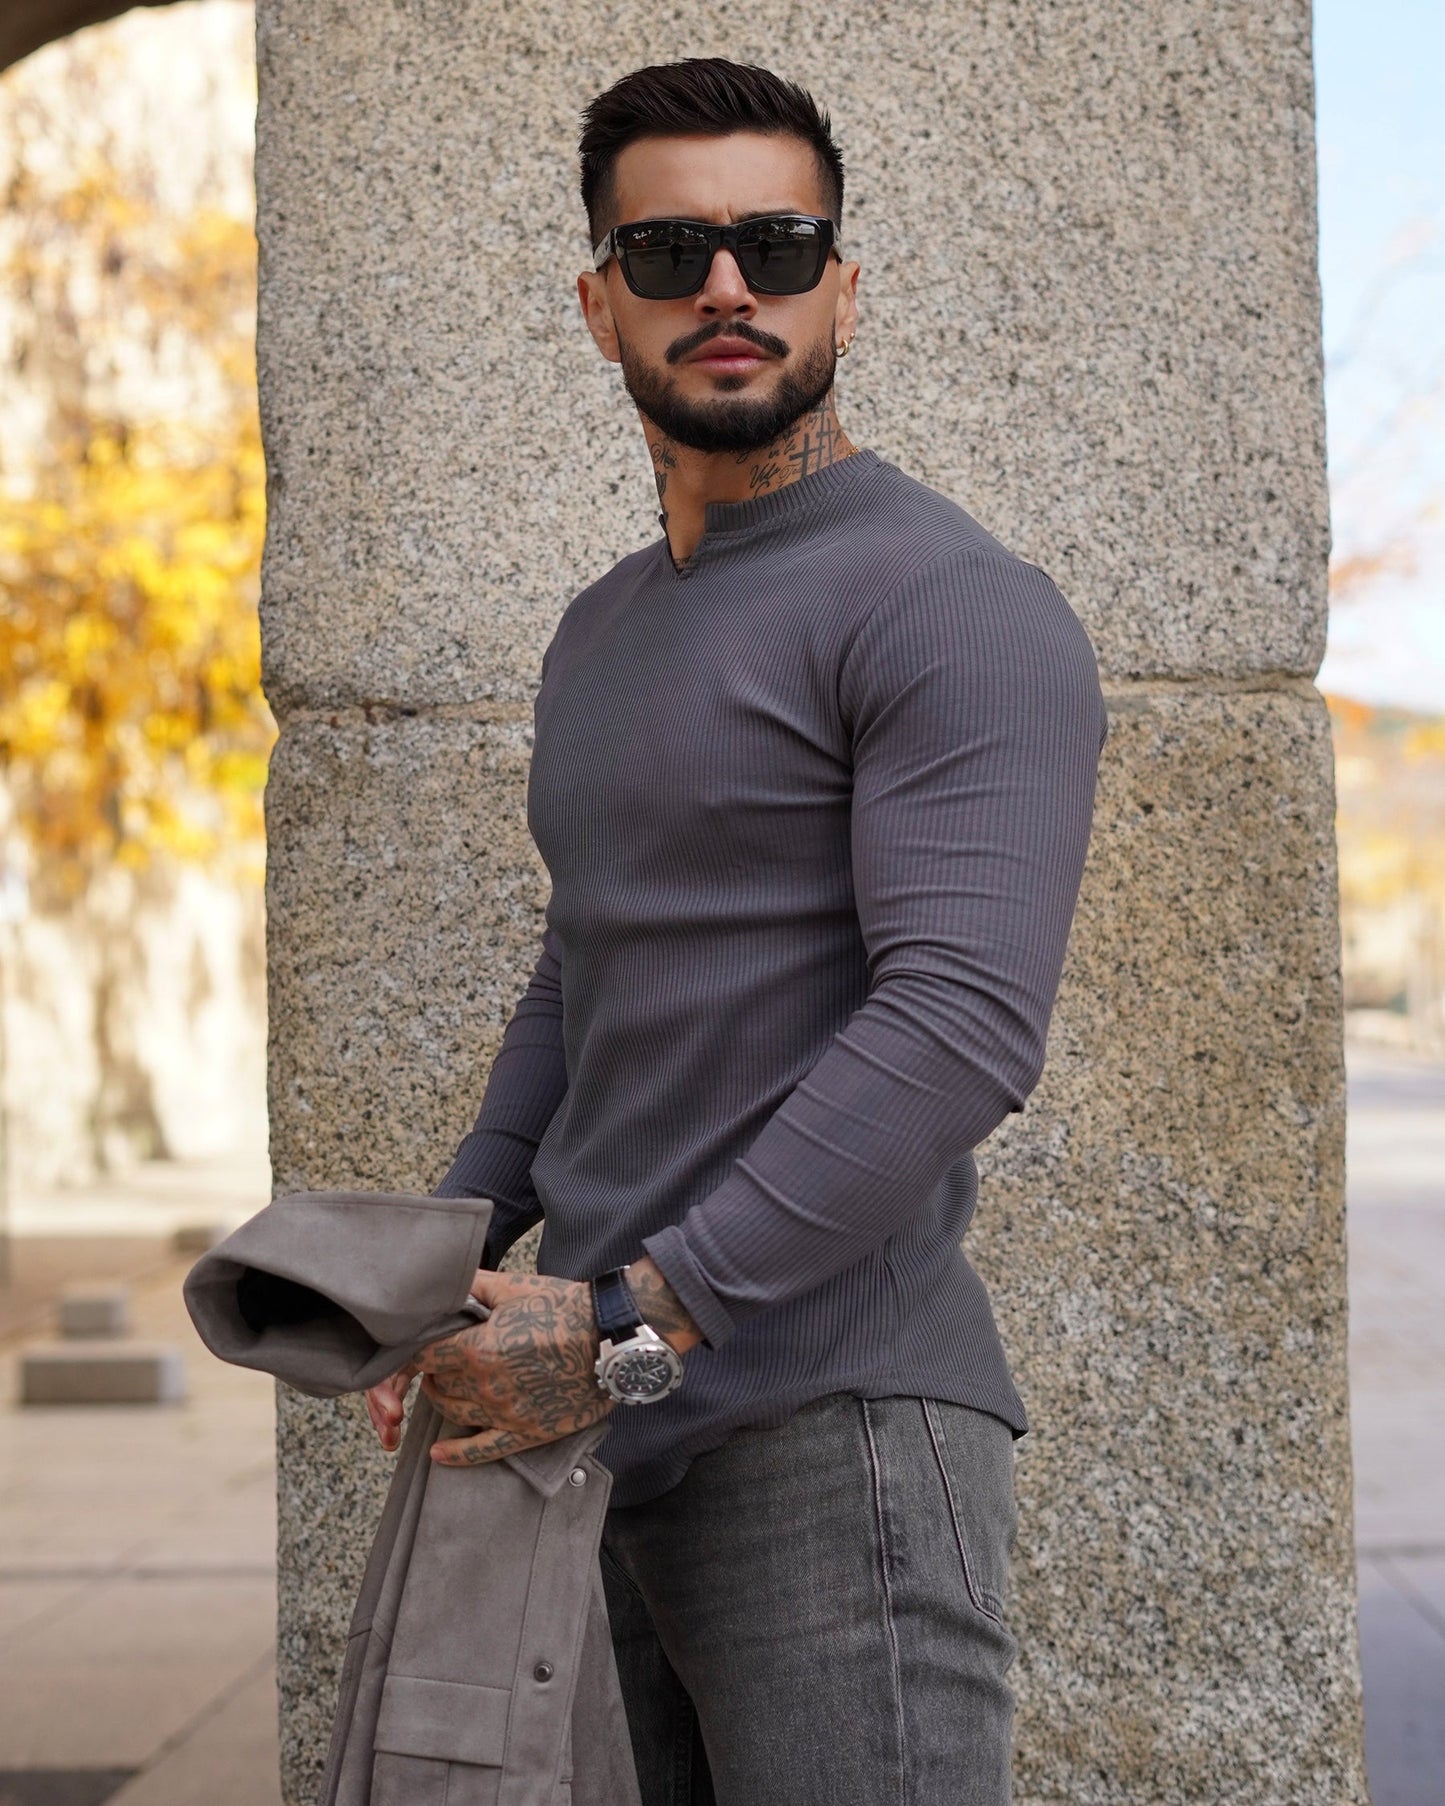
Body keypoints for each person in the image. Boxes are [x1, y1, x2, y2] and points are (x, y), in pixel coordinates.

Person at [364, 56, 1108, 1806]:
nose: (723, 286)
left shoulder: (950, 602)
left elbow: (957, 1025)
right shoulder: (599, 630)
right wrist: (440, 1258)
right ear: (597, 302)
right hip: (596, 1427)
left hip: (831, 1438)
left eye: (773, 247)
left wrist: (631, 1317)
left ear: (841, 288)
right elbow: (587, 965)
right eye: (667, 251)